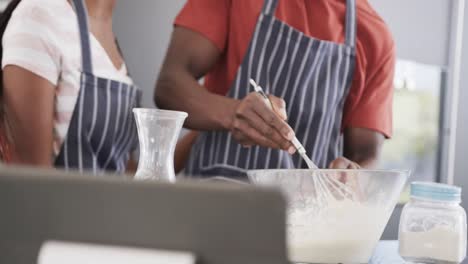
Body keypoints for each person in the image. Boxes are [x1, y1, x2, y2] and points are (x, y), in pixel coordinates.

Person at [158, 0, 395, 177]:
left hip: (306, 223)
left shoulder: (375, 38)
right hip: (213, 204)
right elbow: (170, 86)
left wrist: (352, 175)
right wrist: (234, 113)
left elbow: (365, 155)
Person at [0, 0, 140, 173]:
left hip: (111, 200)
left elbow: (124, 172)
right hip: (59, 200)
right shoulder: (40, 15)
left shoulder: (110, 39)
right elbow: (30, 180)